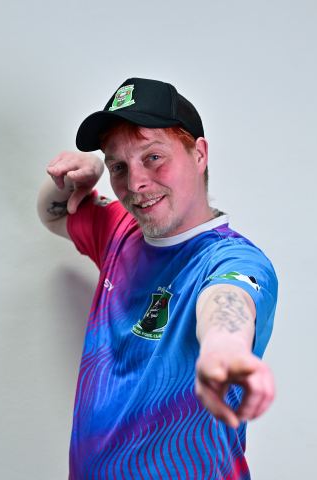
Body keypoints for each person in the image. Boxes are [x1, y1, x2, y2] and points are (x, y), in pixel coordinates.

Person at [37, 77, 278, 479]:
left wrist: (223, 347)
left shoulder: (231, 259)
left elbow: (228, 300)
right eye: (118, 166)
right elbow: (53, 214)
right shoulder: (120, 230)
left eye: (152, 157)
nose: (135, 184)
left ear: (199, 154)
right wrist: (86, 175)